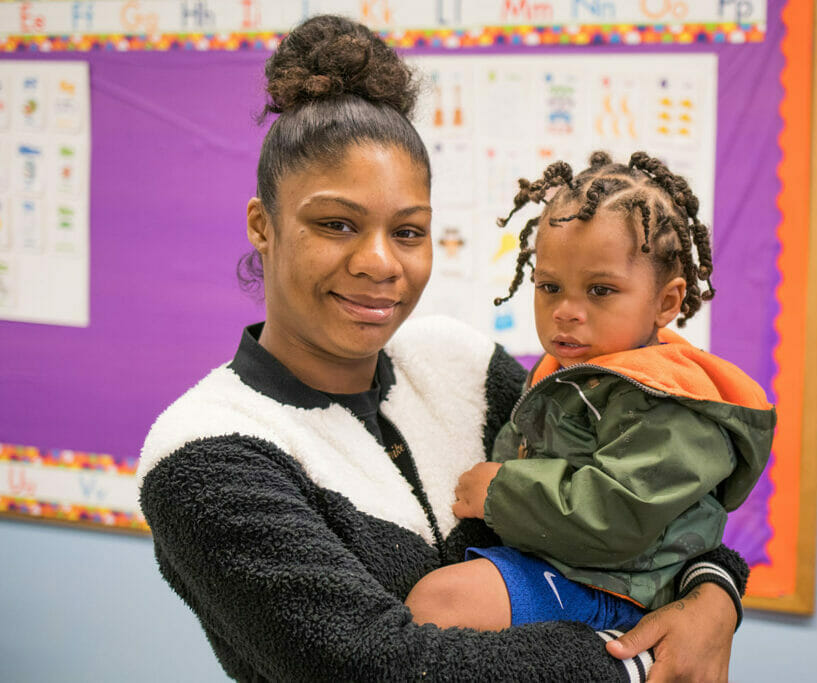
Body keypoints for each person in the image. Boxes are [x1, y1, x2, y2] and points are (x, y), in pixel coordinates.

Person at [137, 14, 750, 682]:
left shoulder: (459, 364)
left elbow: (647, 501)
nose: (379, 262)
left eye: (407, 231)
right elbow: (382, 668)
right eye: (336, 223)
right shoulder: (207, 451)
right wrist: (638, 660)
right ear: (265, 223)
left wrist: (715, 596)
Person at [404, 152, 775, 633]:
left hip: (618, 587)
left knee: (443, 601)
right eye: (549, 286)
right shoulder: (568, 367)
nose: (566, 311)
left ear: (666, 302)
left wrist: (499, 492)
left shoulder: (670, 403)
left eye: (600, 290)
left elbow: (616, 513)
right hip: (565, 562)